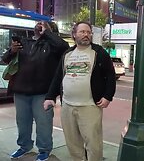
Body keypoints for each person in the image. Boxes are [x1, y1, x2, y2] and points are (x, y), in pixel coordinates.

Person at [44, 21, 116, 161]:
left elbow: (110, 75)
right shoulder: (67, 54)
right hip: (67, 106)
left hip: (90, 107)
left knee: (93, 144)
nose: (86, 35)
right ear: (74, 35)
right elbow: (58, 76)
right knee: (73, 143)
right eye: (82, 32)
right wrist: (50, 96)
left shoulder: (99, 52)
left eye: (88, 32)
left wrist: (108, 96)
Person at [1, 21, 69, 161]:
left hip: (43, 93)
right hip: (20, 91)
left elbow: (63, 47)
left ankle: (44, 150)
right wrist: (12, 51)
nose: (39, 26)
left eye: (43, 25)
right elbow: (5, 59)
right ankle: (24, 146)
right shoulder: (24, 42)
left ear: (50, 30)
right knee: (23, 122)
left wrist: (47, 33)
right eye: (38, 25)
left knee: (43, 123)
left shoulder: (52, 45)